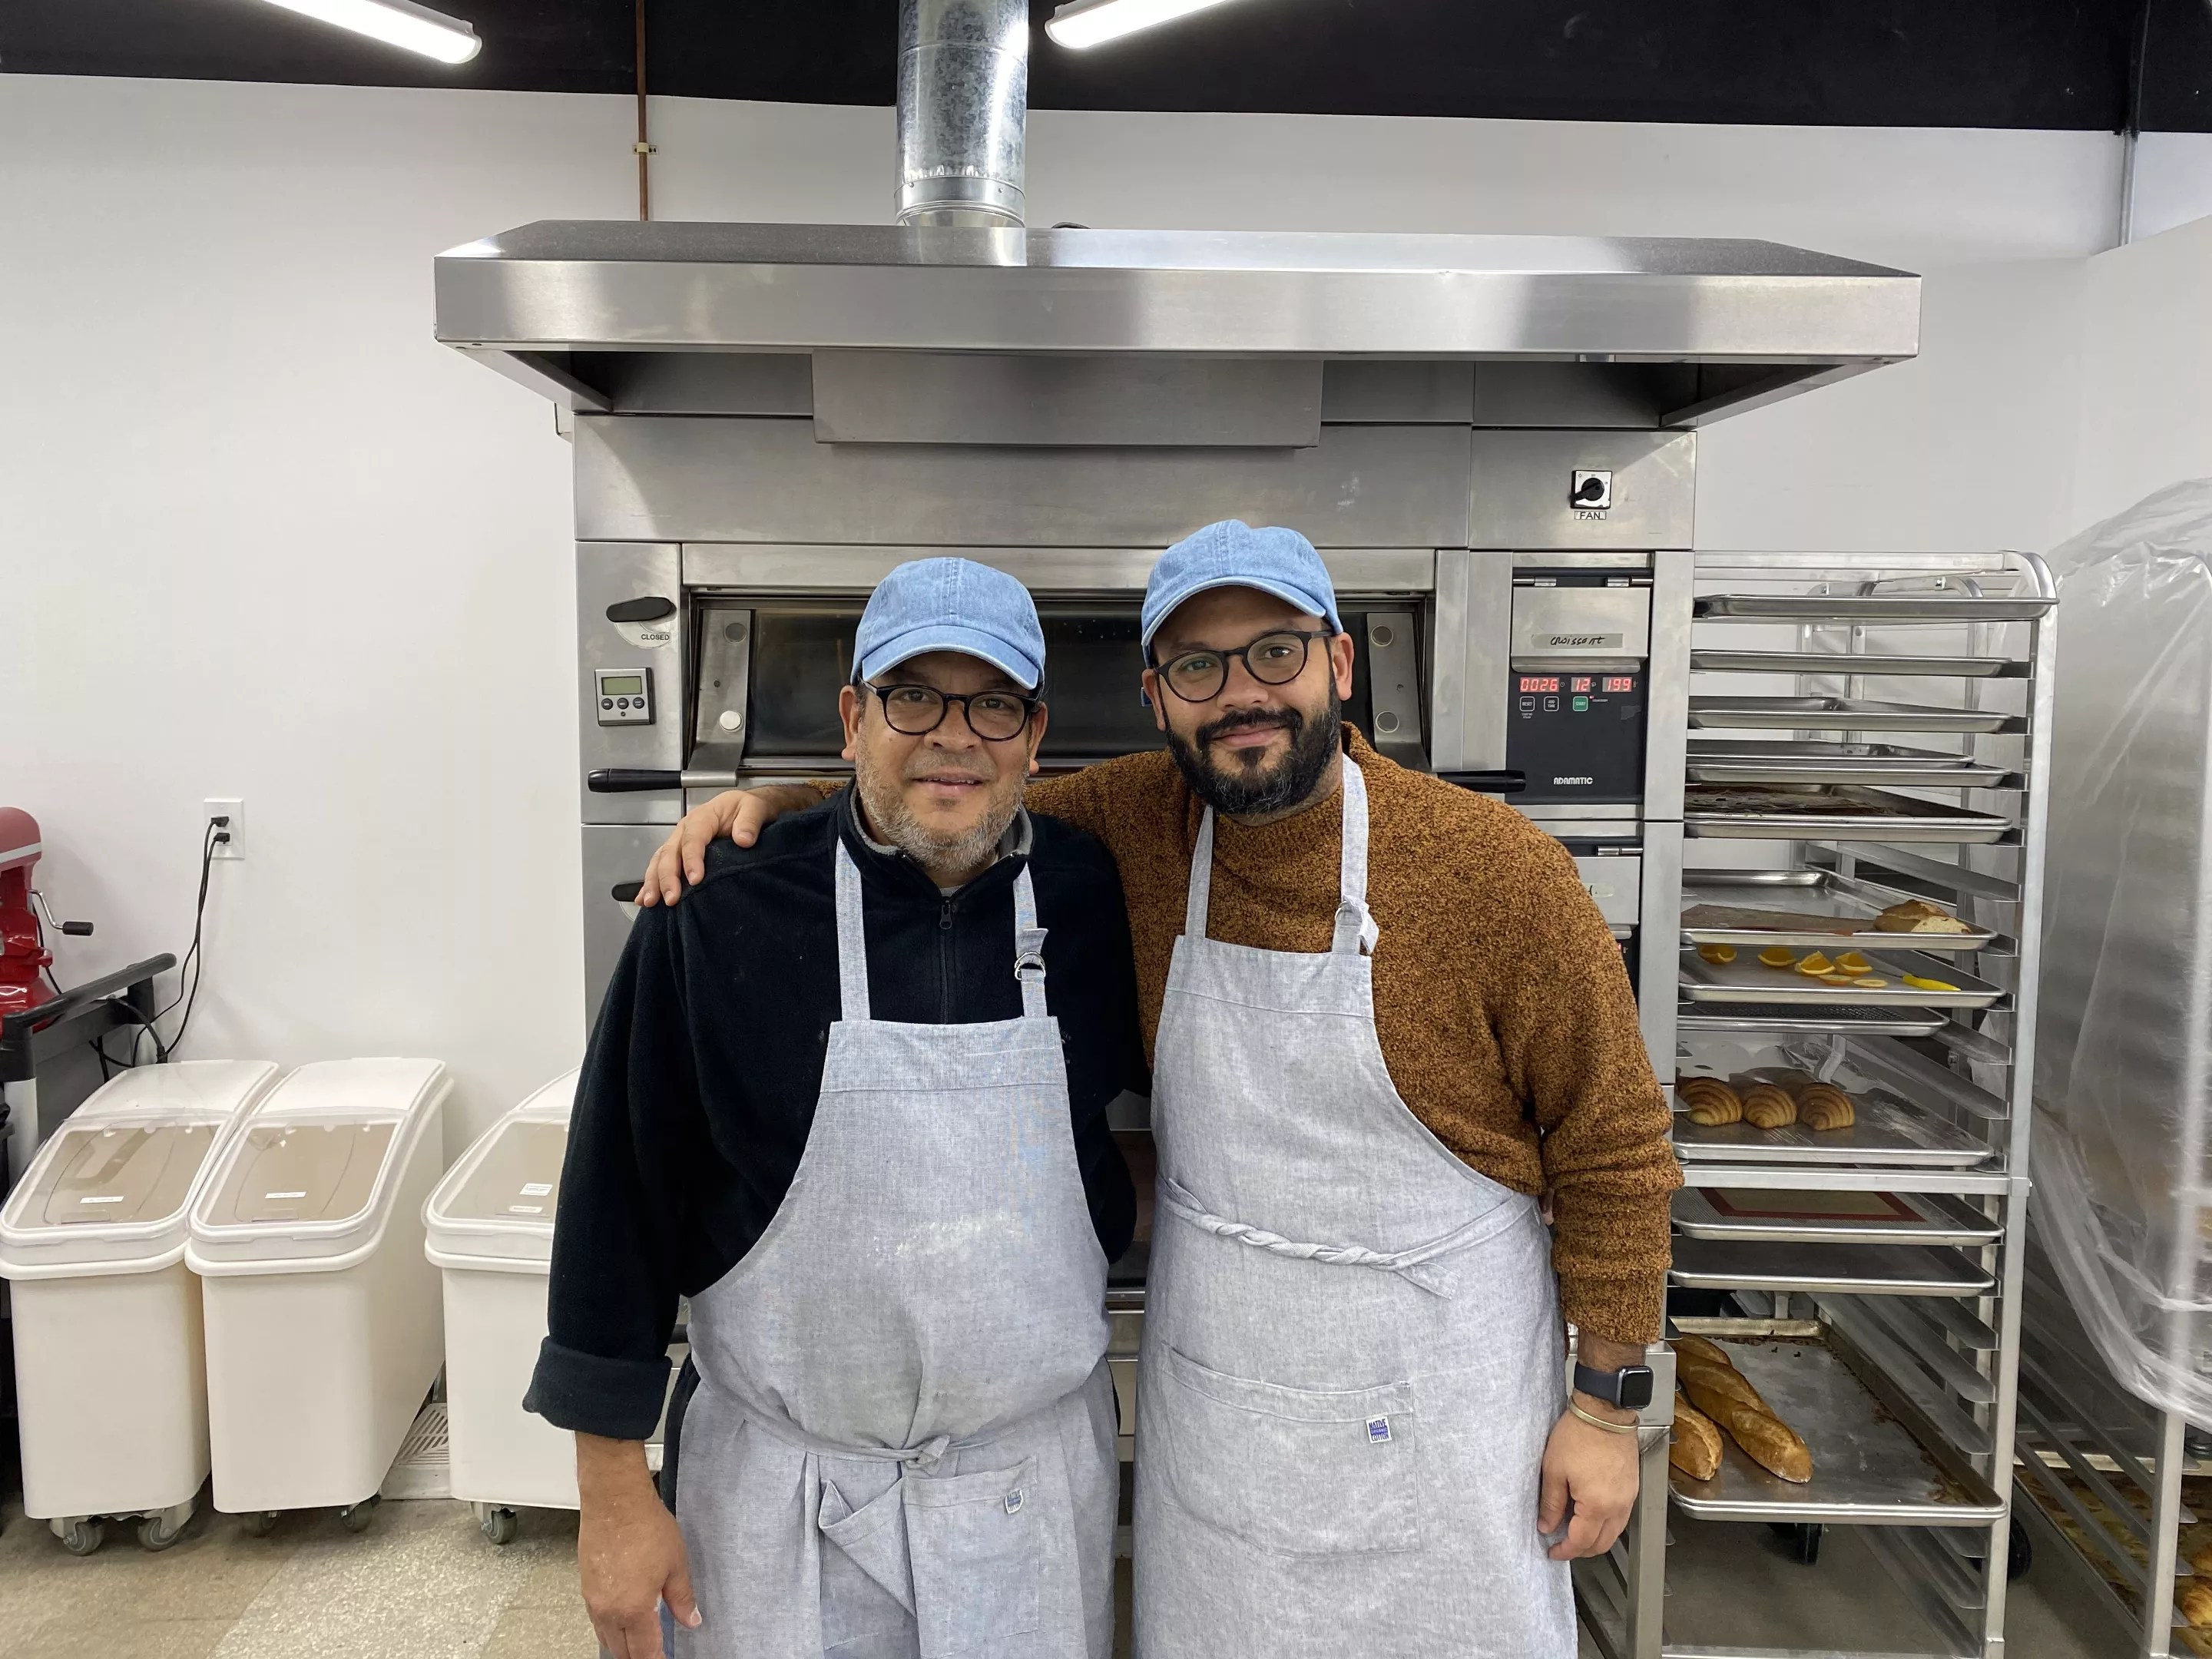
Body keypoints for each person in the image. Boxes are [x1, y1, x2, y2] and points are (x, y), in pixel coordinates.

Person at [641, 522, 1683, 1658]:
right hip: (1224, 1432)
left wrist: (1604, 1407)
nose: (1242, 696)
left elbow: (1616, 1149)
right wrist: (774, 810)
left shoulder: (1498, 872)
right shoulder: (1136, 827)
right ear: (1157, 697)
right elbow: (948, 791)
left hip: (1448, 1426)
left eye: (1274, 653)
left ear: (1340, 664)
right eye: (1199, 666)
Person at [531, 557, 1143, 1659]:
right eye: (914, 697)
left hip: (1029, 1489)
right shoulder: (718, 907)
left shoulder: (1097, 894)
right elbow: (618, 1193)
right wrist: (612, 1494)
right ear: (853, 719)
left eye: (992, 702)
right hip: (782, 1502)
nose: (955, 736)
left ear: (1035, 734)